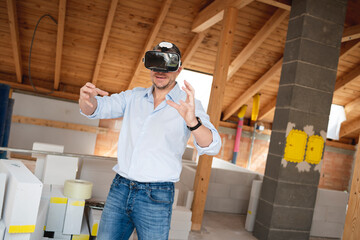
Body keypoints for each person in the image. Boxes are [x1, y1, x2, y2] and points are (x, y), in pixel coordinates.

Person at [79, 41, 221, 240]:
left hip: (157, 196)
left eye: (168, 64)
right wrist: (87, 101)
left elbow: (213, 146)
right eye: (155, 62)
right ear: (147, 64)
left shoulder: (189, 105)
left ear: (179, 69)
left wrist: (192, 122)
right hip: (120, 189)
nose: (160, 71)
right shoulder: (133, 97)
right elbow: (95, 109)